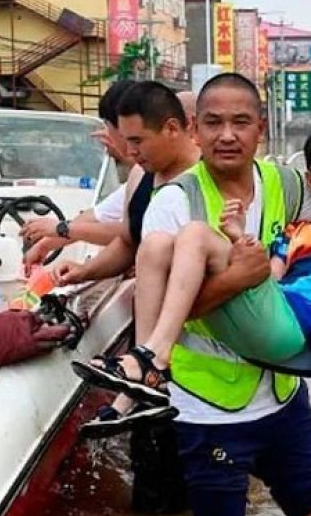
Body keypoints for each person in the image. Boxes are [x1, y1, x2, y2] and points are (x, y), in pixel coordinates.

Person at [77, 73, 311, 516]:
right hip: (211, 406)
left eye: (240, 122)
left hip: (282, 391)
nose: (228, 135)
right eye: (215, 123)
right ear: (195, 132)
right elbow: (165, 314)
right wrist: (235, 281)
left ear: (261, 131)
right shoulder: (175, 203)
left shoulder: (288, 185)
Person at [73, 119, 311, 395]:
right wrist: (237, 237)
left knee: (197, 233)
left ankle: (155, 358)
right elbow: (267, 281)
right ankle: (140, 384)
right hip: (271, 320)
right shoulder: (297, 230)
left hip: (299, 331)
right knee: (158, 245)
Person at [47, 81, 204, 436]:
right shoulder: (142, 176)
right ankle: (138, 386)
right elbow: (129, 242)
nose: (130, 151)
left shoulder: (209, 181)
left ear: (176, 128)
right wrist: (82, 272)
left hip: (197, 351)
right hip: (152, 340)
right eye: (126, 140)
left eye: (137, 141)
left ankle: (143, 380)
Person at [22, 79, 144, 263]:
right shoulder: (139, 177)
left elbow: (129, 234)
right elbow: (98, 216)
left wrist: (59, 229)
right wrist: (45, 245)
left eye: (109, 131)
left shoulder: (150, 176)